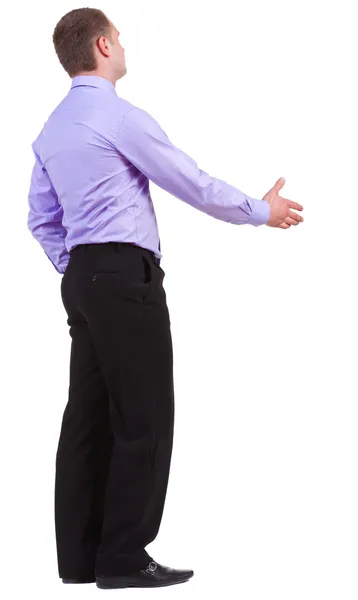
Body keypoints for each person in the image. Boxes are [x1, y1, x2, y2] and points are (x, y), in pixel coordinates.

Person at [27, 7, 304, 591]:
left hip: (83, 280)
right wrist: (261, 211)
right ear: (102, 46)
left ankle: (81, 561)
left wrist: (79, 265)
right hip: (125, 279)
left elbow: (41, 218)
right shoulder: (120, 117)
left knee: (87, 419)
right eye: (120, 39)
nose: (125, 47)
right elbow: (190, 181)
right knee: (144, 417)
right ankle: (124, 558)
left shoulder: (52, 128)